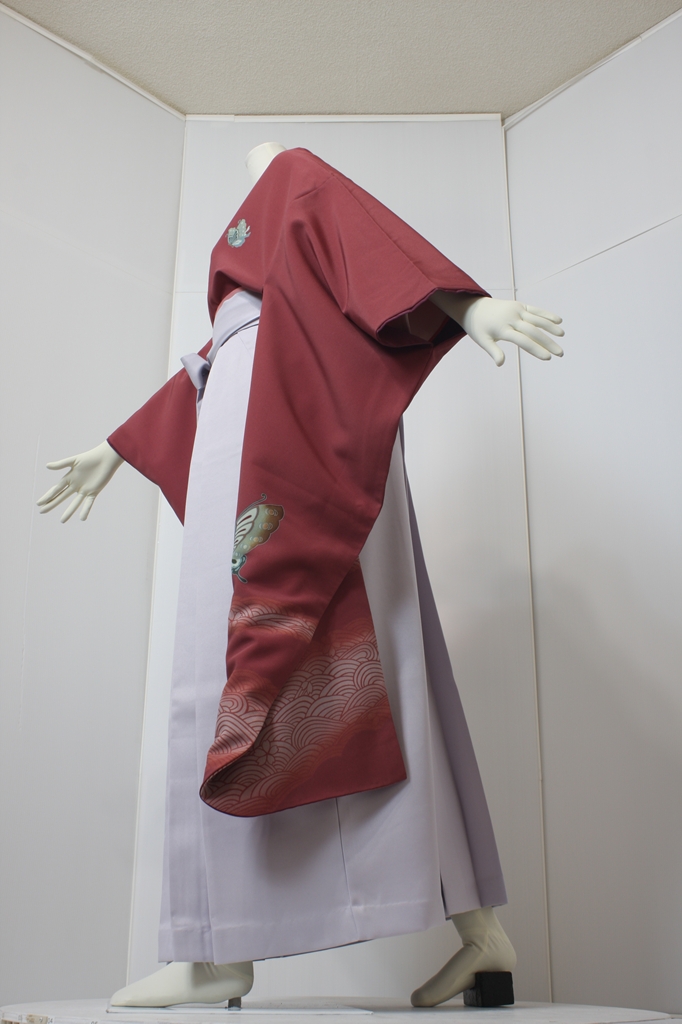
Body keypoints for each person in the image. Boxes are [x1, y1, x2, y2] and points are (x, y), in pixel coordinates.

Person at [38, 144, 564, 1009]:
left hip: (287, 429)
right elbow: (214, 361)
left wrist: (466, 306)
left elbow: (362, 245)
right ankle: (480, 937)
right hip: (257, 419)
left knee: (297, 659)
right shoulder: (257, 272)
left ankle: (216, 954)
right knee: (383, 660)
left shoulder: (290, 176)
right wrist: (119, 447)